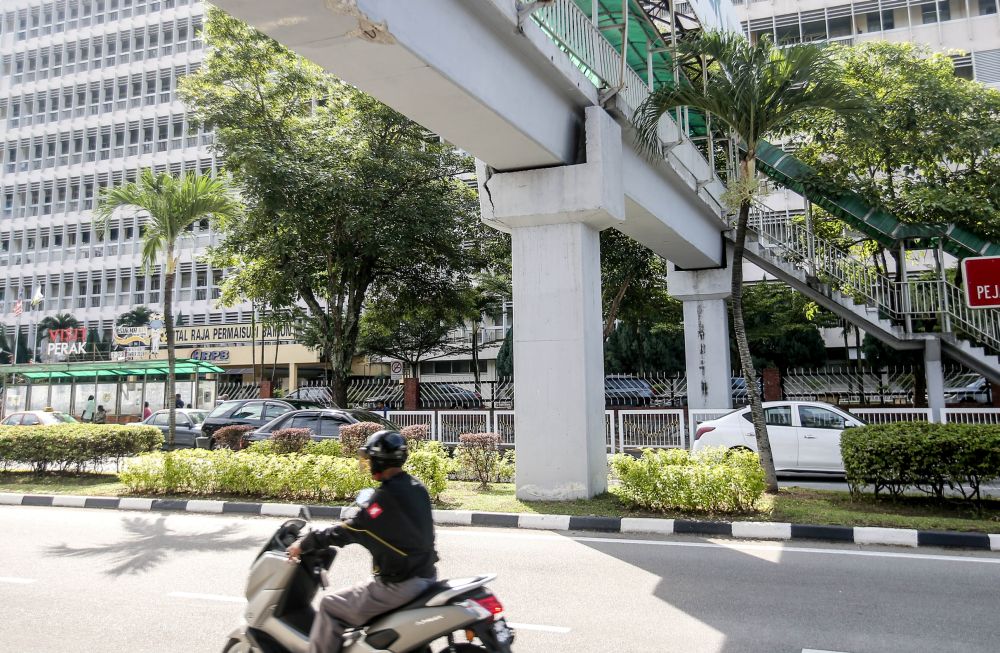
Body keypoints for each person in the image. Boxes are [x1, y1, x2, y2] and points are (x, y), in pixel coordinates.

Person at [287, 431, 438, 653]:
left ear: (379, 460)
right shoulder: (416, 487)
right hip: (426, 575)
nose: (367, 464)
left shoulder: (383, 500)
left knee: (330, 606)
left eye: (370, 459)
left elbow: (350, 529)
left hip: (399, 584)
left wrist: (304, 543)